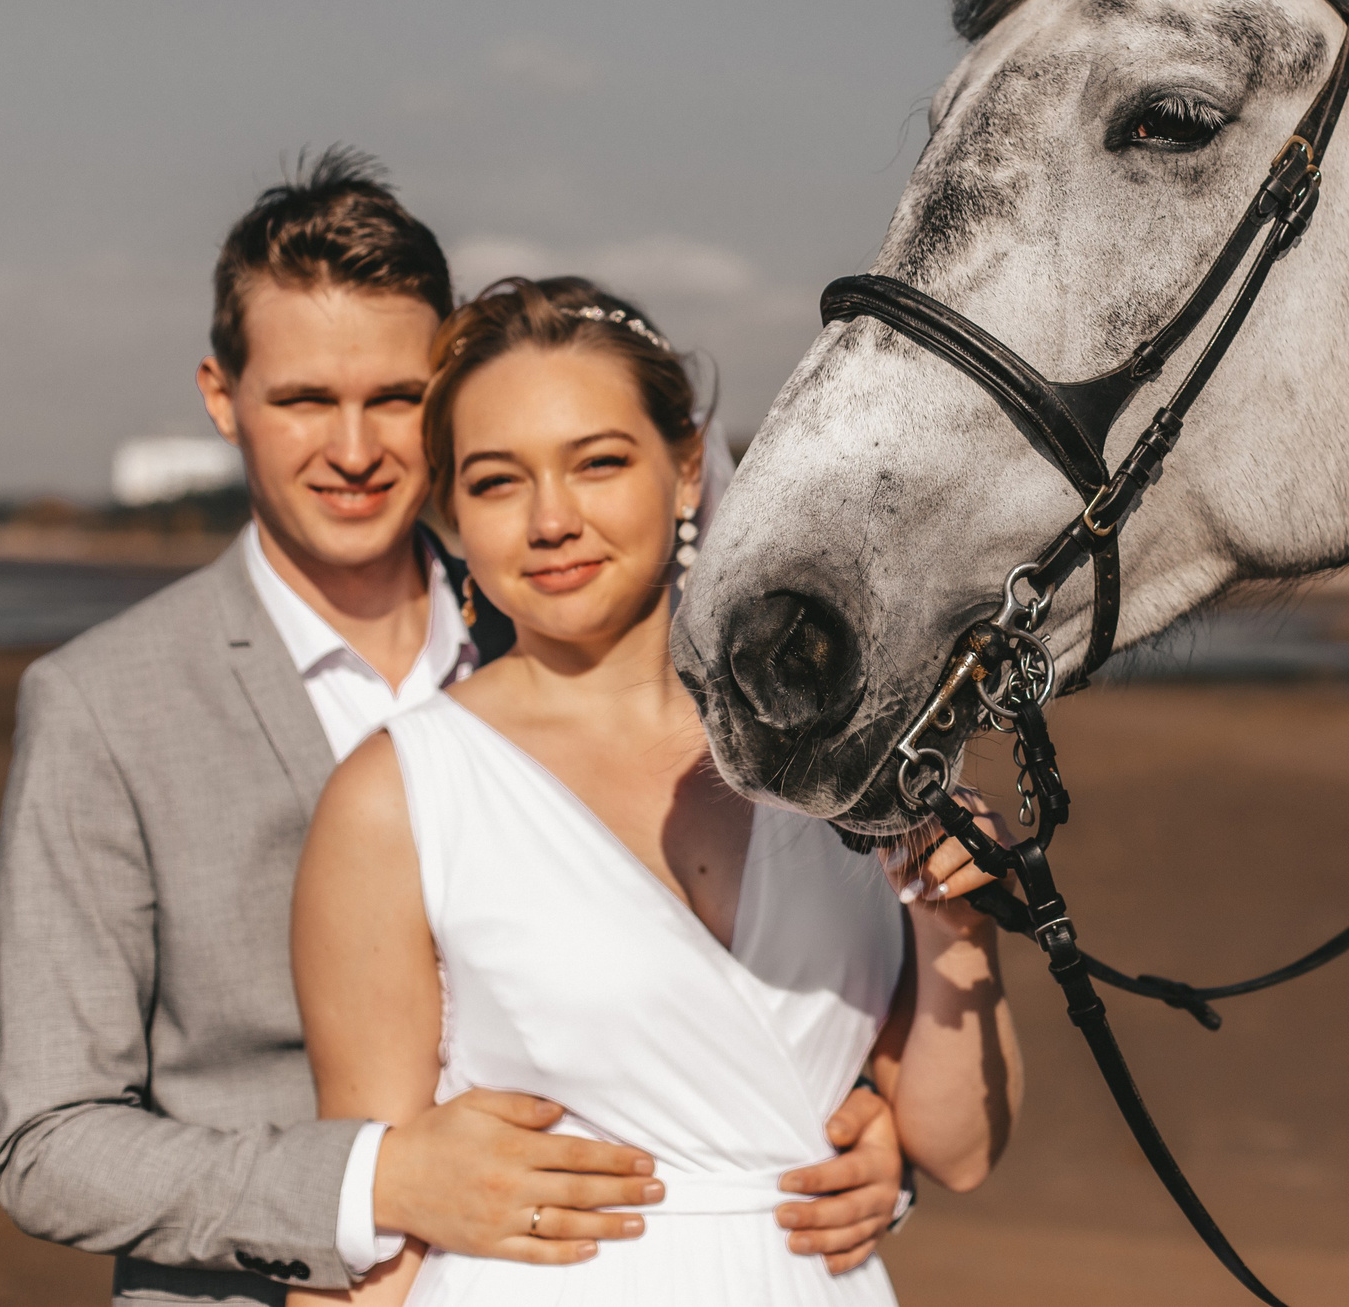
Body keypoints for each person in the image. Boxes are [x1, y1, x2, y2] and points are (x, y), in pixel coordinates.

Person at [0, 153, 908, 1306]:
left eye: (391, 400)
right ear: (221, 399)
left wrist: (864, 1149)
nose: (358, 449)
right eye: (303, 401)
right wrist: (369, 1182)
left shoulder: (570, 621)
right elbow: (47, 1145)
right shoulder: (103, 704)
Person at [288, 275, 1021, 1305]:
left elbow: (958, 1150)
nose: (553, 520)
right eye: (497, 481)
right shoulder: (396, 794)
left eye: (597, 463)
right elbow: (379, 1220)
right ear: (449, 513)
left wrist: (960, 931)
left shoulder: (837, 754)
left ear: (684, 471)